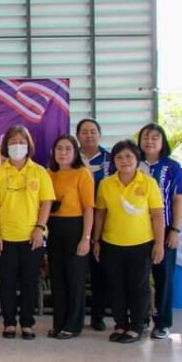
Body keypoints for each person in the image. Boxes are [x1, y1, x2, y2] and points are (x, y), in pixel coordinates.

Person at [0, 125, 55, 340]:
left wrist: (39, 228)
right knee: (7, 282)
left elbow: (46, 202)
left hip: (32, 238)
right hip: (5, 238)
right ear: (6, 146)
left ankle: (27, 323)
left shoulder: (39, 172)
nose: (17, 146)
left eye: (21, 142)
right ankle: (9, 323)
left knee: (29, 282)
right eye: (13, 142)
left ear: (28, 145)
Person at [93, 140, 165, 344]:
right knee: (116, 286)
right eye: (119, 157)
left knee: (138, 287)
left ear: (137, 159)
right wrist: (96, 240)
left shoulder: (148, 183)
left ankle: (137, 326)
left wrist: (159, 243)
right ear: (113, 161)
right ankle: (121, 324)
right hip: (111, 243)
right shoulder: (106, 184)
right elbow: (100, 214)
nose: (124, 161)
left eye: (128, 156)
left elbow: (157, 215)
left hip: (141, 244)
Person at [137, 123, 182, 340]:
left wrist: (175, 230)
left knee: (163, 277)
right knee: (138, 278)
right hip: (136, 230)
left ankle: (163, 322)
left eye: (154, 138)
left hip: (164, 229)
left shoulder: (172, 167)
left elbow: (177, 199)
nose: (149, 141)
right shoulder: (132, 163)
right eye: (145, 137)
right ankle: (140, 318)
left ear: (162, 141)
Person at [47, 134, 94, 339]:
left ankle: (73, 325)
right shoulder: (48, 173)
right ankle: (59, 323)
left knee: (74, 278)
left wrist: (86, 237)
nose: (63, 153)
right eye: (59, 148)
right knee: (57, 278)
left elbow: (89, 208)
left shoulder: (82, 173)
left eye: (68, 149)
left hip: (76, 227)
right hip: (54, 228)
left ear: (75, 152)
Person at [76, 118, 112, 331]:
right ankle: (76, 317)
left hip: (104, 222)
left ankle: (97, 316)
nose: (89, 135)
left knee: (100, 272)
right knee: (76, 273)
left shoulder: (111, 159)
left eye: (93, 131)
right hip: (75, 221)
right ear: (78, 136)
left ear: (99, 134)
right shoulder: (71, 157)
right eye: (84, 132)